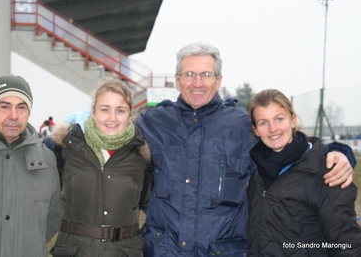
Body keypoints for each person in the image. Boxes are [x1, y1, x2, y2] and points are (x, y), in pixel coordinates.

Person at [138, 42, 356, 256]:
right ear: (177, 81)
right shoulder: (153, 122)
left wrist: (339, 152)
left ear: (218, 80)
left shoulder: (243, 125)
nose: (197, 83)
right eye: (188, 74)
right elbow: (115, 137)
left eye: (206, 74)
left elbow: (292, 145)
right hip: (164, 251)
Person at [246, 89, 361, 256]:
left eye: (279, 119)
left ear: (293, 120)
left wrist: (342, 152)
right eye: (263, 123)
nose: (273, 129)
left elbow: (348, 246)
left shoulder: (327, 172)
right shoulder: (258, 172)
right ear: (255, 130)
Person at [49, 77, 151, 257]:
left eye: (120, 110)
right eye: (105, 109)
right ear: (93, 112)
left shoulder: (140, 157)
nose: (112, 118)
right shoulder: (66, 149)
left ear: (130, 114)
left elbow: (156, 208)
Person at [0, 74, 62, 256]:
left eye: (21, 107)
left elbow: (52, 222)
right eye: (5, 106)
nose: (14, 115)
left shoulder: (46, 159)